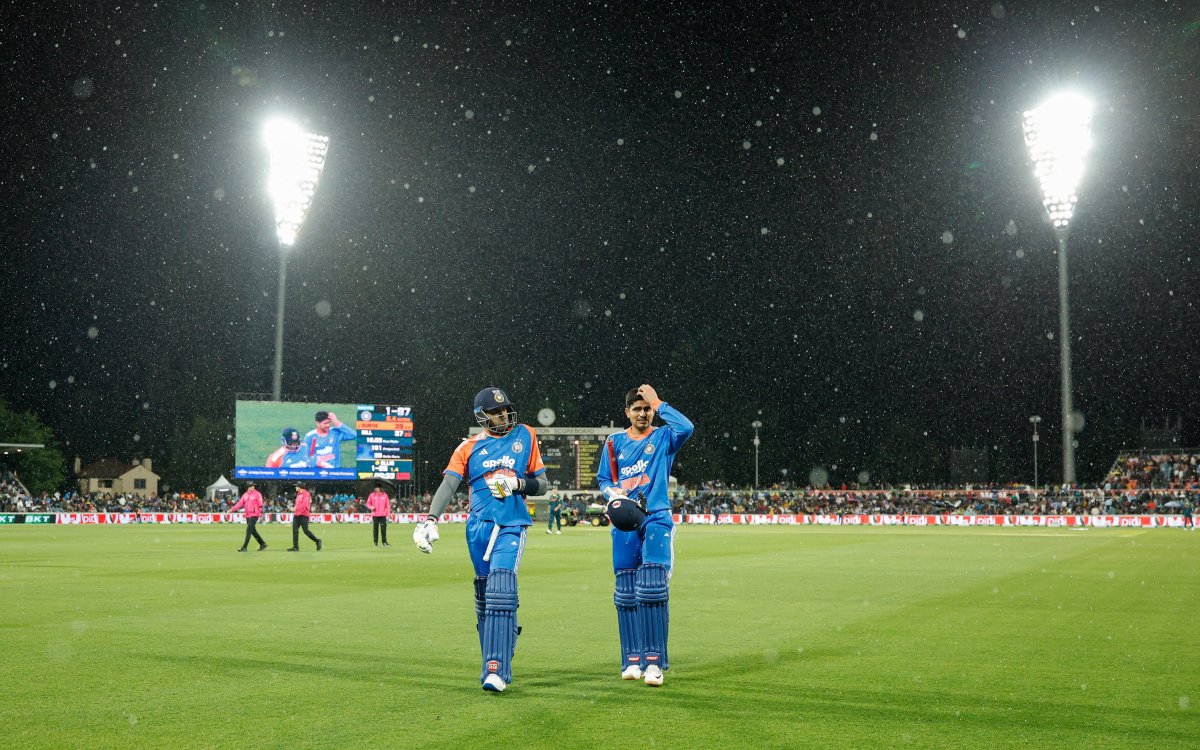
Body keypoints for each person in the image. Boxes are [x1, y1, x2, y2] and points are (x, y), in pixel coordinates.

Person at [412, 387, 549, 693]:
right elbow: (449, 485)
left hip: (512, 524)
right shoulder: (468, 448)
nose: (503, 415)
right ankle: (500, 646)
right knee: (486, 595)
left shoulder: (525, 435)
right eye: (496, 412)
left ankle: (496, 669)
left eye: (505, 410)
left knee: (501, 587)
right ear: (481, 416)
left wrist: (518, 483)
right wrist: (430, 519)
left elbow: (542, 484)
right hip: (477, 528)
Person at [596, 384, 693, 687]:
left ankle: (654, 663)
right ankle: (631, 660)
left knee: (651, 587)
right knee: (625, 591)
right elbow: (604, 478)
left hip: (656, 517)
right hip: (624, 521)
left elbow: (687, 426)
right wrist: (614, 493)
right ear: (627, 412)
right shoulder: (613, 442)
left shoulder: (664, 436)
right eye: (636, 408)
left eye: (646, 408)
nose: (642, 413)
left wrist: (659, 401)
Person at [230, 481, 268, 552]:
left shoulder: (257, 494)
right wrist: (232, 509)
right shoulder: (245, 495)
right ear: (248, 487)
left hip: (254, 514)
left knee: (248, 531)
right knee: (253, 531)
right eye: (250, 486)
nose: (252, 487)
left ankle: (244, 547)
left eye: (253, 486)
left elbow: (260, 504)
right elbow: (239, 504)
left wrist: (260, 513)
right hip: (248, 515)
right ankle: (263, 544)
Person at [286, 482, 322, 551]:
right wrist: (294, 508)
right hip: (297, 515)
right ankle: (295, 547)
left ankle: (317, 541)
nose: (295, 487)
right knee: (295, 531)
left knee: (306, 531)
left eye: (296, 486)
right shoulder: (298, 495)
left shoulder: (306, 494)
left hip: (304, 515)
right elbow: (297, 504)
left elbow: (304, 505)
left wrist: (295, 509)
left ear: (300, 487)